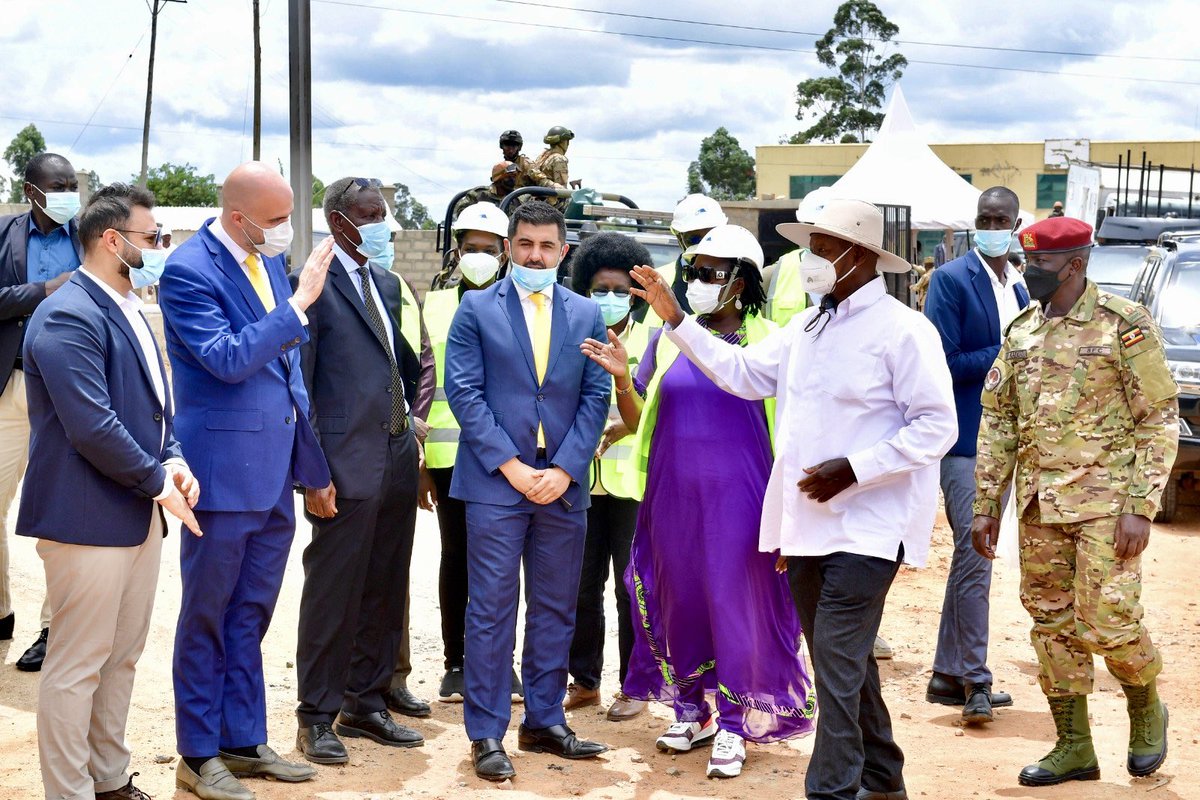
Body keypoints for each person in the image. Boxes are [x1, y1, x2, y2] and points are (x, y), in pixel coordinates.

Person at [627, 199, 957, 800]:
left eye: (820, 247)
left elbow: (937, 426)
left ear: (857, 255)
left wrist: (854, 469)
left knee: (834, 658)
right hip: (806, 527)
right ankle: (884, 778)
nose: (808, 260)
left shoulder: (906, 331)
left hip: (869, 526)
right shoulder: (806, 329)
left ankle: (831, 789)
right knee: (845, 666)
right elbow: (741, 373)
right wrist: (675, 318)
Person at [583, 224, 816, 780]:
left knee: (734, 605)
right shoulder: (667, 338)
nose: (699, 282)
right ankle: (692, 711)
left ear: (742, 281)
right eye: (695, 271)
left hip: (740, 498)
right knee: (678, 599)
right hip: (671, 497)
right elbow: (638, 419)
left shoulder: (772, 338)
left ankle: (735, 724)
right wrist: (621, 382)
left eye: (713, 273)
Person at [972, 216, 1177, 787]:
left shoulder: (1122, 325)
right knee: (1052, 624)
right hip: (1040, 509)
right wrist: (986, 504)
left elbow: (1158, 418)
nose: (1028, 270)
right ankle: (1074, 746)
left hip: (1107, 508)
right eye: (1027, 261)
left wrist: (1142, 503)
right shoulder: (1021, 331)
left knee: (1109, 622)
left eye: (1039, 264)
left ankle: (1145, 707)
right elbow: (1000, 421)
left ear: (1076, 264)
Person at [19, 182, 202, 800]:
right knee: (76, 668)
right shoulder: (68, 313)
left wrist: (173, 460)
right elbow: (92, 425)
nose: (160, 247)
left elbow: (154, 407)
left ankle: (110, 780)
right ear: (112, 240)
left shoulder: (129, 304)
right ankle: (69, 793)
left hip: (135, 514)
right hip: (84, 519)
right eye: (153, 237)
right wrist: (159, 483)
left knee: (120, 659)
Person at [159, 161, 334, 800]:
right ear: (238, 218)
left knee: (251, 613)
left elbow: (287, 378)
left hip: (273, 476)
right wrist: (298, 305)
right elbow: (228, 359)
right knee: (208, 614)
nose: (287, 230)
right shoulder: (189, 271)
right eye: (277, 220)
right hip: (221, 478)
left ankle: (242, 737)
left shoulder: (263, 261)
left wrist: (311, 467)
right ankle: (197, 753)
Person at [444, 200, 609, 782]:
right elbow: (463, 392)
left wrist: (565, 469)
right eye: (525, 245)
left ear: (563, 251)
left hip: (562, 484)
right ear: (510, 246)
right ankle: (486, 733)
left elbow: (596, 396)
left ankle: (544, 720)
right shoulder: (474, 309)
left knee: (557, 606)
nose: (535, 255)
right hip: (497, 482)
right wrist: (512, 467)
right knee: (489, 610)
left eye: (547, 246)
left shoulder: (586, 313)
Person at [291, 177, 428, 765]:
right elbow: (302, 384)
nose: (383, 224)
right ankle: (316, 715)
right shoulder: (314, 284)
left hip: (395, 452)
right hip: (342, 463)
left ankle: (367, 701)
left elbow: (400, 361)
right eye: (371, 215)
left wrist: (412, 433)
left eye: (385, 213)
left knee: (384, 583)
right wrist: (314, 469)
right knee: (333, 590)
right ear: (340, 222)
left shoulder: (386, 283)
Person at [921, 187, 1029, 723]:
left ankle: (948, 673)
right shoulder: (949, 279)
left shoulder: (1020, 284)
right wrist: (1012, 348)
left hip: (1006, 443)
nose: (991, 225)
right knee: (976, 552)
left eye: (1000, 219)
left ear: (1014, 225)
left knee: (971, 554)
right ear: (974, 223)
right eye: (983, 218)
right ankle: (976, 681)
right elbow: (944, 360)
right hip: (964, 441)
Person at [420, 201, 524, 705]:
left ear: (504, 254)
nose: (478, 257)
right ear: (456, 251)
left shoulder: (522, 305)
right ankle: (457, 664)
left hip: (509, 457)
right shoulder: (434, 305)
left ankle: (501, 663)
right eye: (470, 248)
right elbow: (418, 382)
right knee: (457, 556)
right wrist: (418, 456)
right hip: (448, 456)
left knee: (503, 563)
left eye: (488, 249)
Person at [563, 232, 653, 722]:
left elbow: (651, 411)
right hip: (579, 481)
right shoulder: (573, 336)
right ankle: (585, 681)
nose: (612, 297)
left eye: (621, 289)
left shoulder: (654, 338)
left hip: (633, 487)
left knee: (630, 587)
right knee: (579, 585)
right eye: (601, 288)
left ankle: (635, 684)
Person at [0, 151, 82, 672]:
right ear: (32, 192)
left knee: (61, 511)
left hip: (70, 393)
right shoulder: (5, 234)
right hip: (11, 389)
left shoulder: (93, 233)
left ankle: (55, 627)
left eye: (74, 183)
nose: (70, 191)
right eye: (59, 185)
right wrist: (43, 291)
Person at [664, 194, 728, 314]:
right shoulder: (657, 280)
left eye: (711, 237)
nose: (704, 245)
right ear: (679, 238)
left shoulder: (739, 279)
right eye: (694, 240)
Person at [534, 126, 576, 204]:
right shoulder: (559, 159)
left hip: (539, 199)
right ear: (563, 142)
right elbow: (561, 190)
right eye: (567, 141)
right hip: (552, 203)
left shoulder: (542, 156)